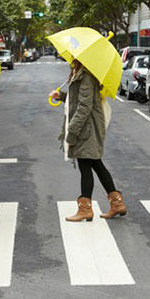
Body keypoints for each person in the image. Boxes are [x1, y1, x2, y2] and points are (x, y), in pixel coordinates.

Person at [50, 60, 126, 221]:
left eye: (73, 55)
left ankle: (85, 210)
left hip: (87, 128)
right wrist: (62, 96)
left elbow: (84, 106)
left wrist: (73, 131)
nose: (71, 59)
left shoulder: (86, 77)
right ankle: (117, 204)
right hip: (87, 127)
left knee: (86, 166)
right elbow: (77, 99)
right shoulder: (80, 75)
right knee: (96, 164)